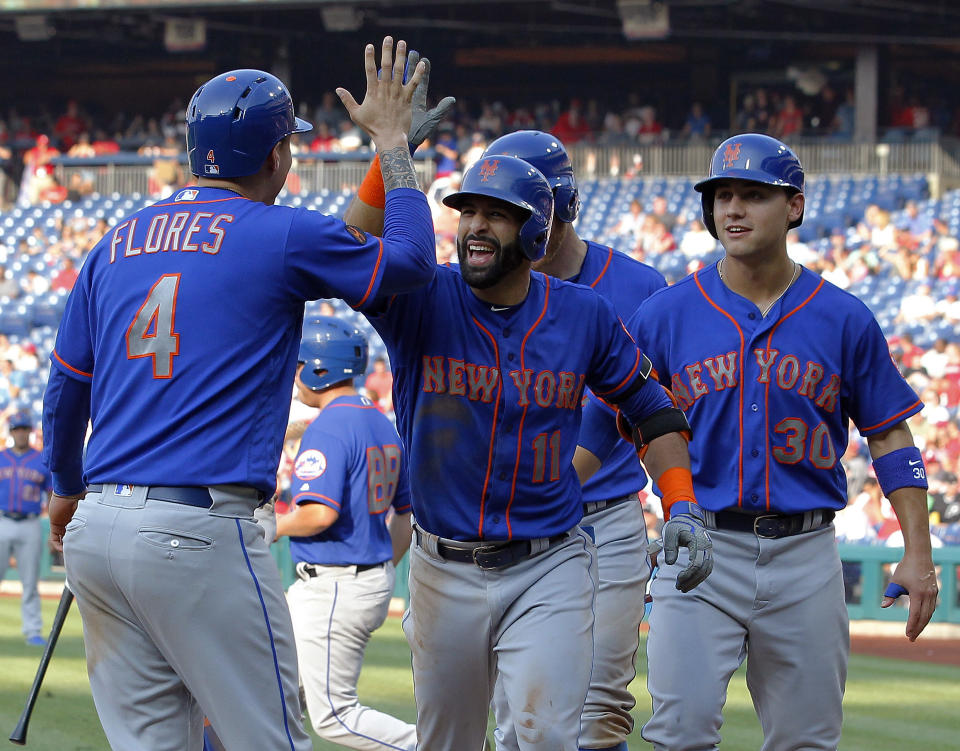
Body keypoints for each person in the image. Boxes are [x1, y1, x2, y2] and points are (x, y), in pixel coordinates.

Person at [41, 38, 436, 751]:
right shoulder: (276, 233)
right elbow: (407, 264)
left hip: (98, 529)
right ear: (278, 155)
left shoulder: (115, 239)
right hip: (199, 529)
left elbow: (66, 389)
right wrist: (395, 149)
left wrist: (64, 489)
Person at [582, 133, 939, 751]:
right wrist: (553, 493)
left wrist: (918, 552)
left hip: (805, 554)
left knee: (807, 741)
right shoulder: (664, 315)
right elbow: (601, 421)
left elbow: (890, 436)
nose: (733, 209)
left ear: (794, 207)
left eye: (753, 194)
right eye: (722, 197)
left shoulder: (845, 317)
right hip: (699, 543)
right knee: (678, 735)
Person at [347, 152, 711, 750]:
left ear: (537, 231)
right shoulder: (423, 297)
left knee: (545, 737)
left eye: (498, 214)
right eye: (468, 213)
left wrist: (682, 504)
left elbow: (652, 408)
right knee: (449, 741)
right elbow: (352, 250)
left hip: (549, 563)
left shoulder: (581, 313)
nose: (475, 226)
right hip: (443, 565)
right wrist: (387, 159)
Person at [481, 129, 668, 751]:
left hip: (604, 517)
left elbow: (631, 406)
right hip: (515, 522)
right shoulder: (481, 285)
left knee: (601, 706)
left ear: (564, 206)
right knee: (518, 710)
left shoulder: (637, 285)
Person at [277, 317, 417, 750]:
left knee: (334, 716)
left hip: (335, 581)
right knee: (271, 690)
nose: (294, 372)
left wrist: (267, 525)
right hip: (355, 576)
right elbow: (407, 516)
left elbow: (318, 515)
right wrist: (376, 567)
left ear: (321, 367)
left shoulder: (330, 426)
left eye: (299, 363)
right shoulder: (379, 421)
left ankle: (447, 745)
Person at [0, 410, 51, 647]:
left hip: (30, 522)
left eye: (24, 429)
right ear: (11, 432)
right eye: (17, 429)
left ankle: (32, 630)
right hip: (2, 520)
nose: (21, 433)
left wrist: (52, 526)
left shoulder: (41, 460)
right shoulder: (1, 458)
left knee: (30, 582)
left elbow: (51, 495)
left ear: (30, 432)